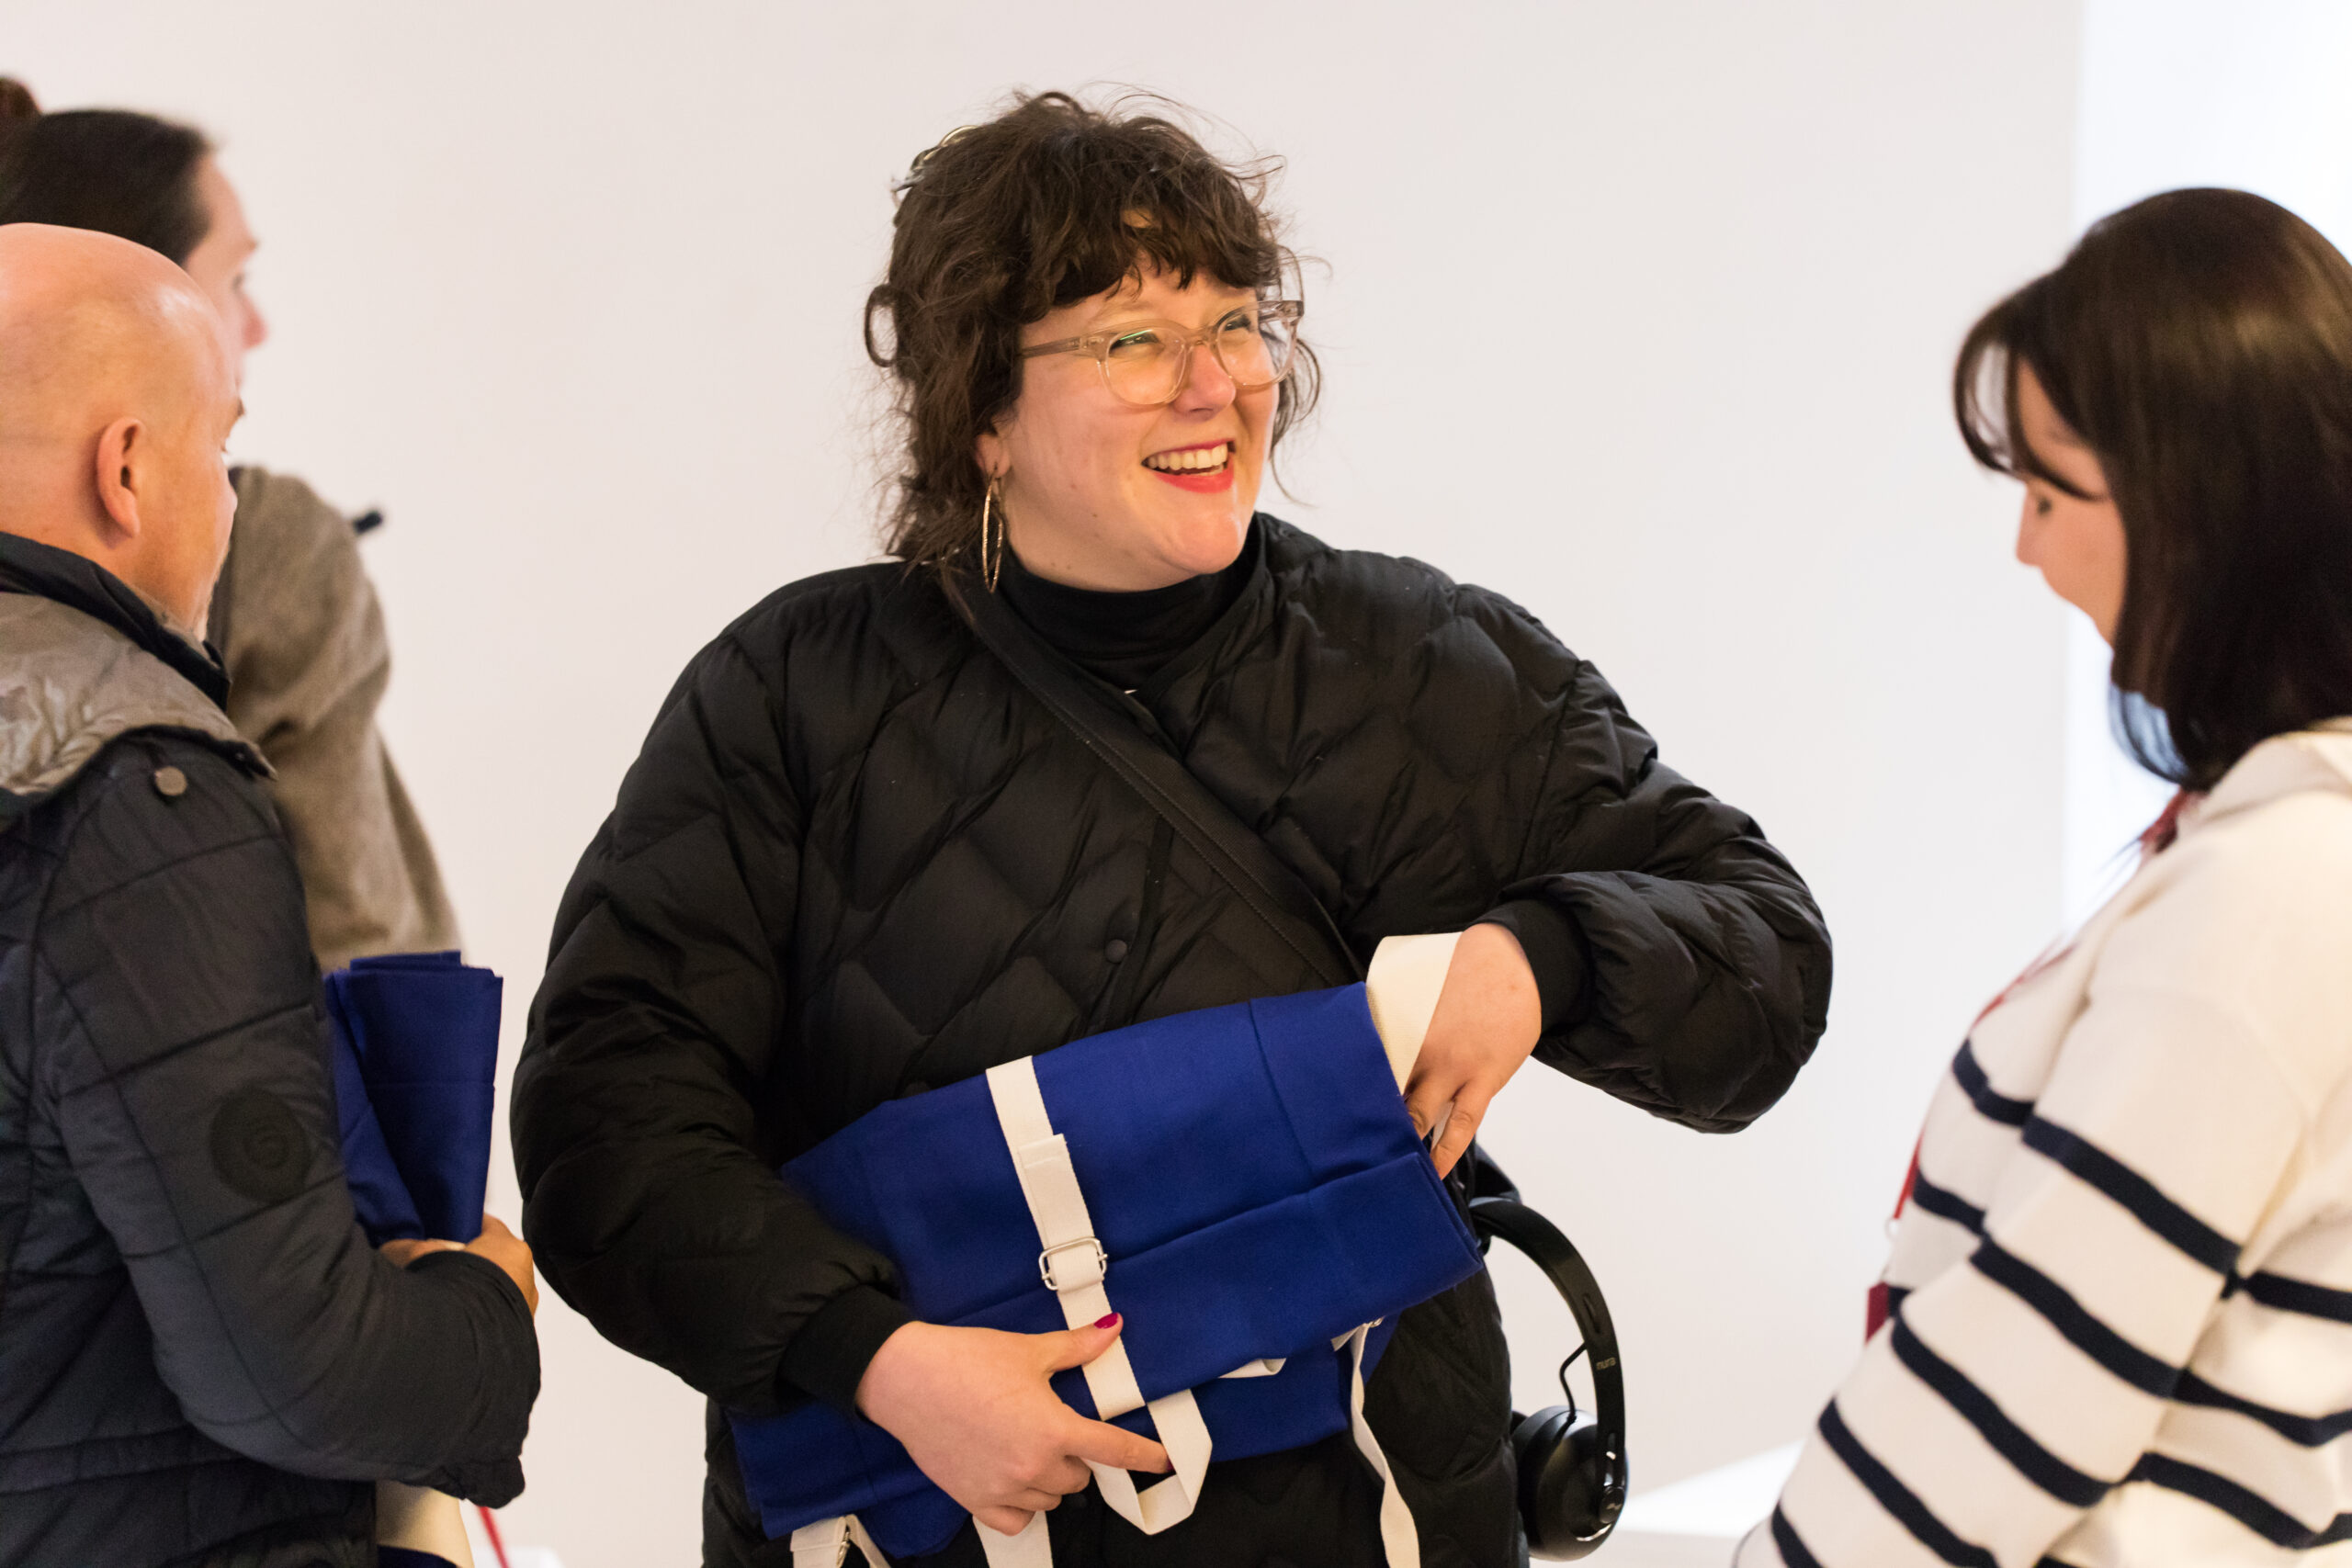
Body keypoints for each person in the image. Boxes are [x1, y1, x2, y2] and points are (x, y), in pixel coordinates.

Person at [514, 92, 1832, 1568]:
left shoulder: (1414, 663)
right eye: (1134, 340)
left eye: (1237, 323)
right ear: (983, 413)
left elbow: (1766, 950)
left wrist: (1548, 955)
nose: (1215, 385)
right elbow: (605, 1123)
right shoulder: (791, 697)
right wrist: (877, 1359)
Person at [1744, 187, 2352, 1567]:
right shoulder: (2281, 847)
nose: (2027, 545)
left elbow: (2018, 1392)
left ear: (2207, 511)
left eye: (2051, 494)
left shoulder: (2271, 892)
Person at [0, 223, 540, 1568]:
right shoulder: (131, 795)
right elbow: (291, 1373)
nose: (232, 503)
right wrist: (484, 1310)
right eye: (220, 453)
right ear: (128, 470)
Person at [0, 77, 459, 972]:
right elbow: (363, 945)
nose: (256, 326)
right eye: (233, 279)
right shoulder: (272, 544)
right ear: (138, 300)